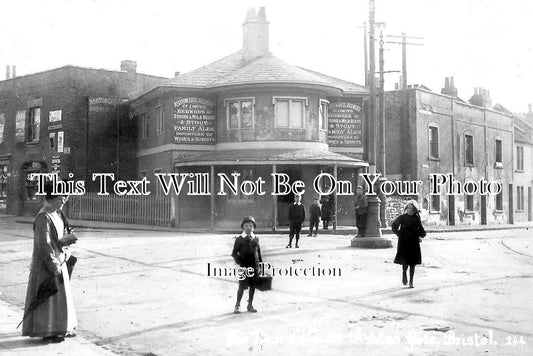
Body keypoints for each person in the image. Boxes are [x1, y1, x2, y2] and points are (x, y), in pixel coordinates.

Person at [22, 183, 77, 342]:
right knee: (48, 299)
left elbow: (64, 234)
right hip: (47, 265)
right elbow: (43, 244)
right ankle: (48, 332)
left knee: (58, 299)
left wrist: (66, 247)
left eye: (66, 196)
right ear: (52, 197)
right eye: (61, 197)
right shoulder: (44, 216)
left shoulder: (58, 214)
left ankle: (57, 330)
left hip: (60, 260)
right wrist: (54, 265)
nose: (64, 200)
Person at [391, 200, 426, 288]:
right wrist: (399, 234)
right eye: (409, 208)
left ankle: (411, 281)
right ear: (406, 208)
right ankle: (404, 274)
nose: (410, 210)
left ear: (415, 210)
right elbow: (394, 226)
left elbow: (421, 230)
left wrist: (421, 235)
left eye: (412, 208)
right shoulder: (402, 217)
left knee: (413, 263)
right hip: (404, 242)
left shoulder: (416, 218)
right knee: (405, 261)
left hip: (413, 242)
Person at [231, 216, 262, 313]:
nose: (248, 227)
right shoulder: (239, 239)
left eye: (251, 226)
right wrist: (239, 261)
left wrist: (260, 265)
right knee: (242, 286)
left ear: (253, 227)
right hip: (244, 267)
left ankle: (250, 305)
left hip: (254, 267)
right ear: (243, 227)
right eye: (246, 225)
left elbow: (259, 252)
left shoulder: (255, 238)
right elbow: (234, 253)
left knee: (252, 286)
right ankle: (237, 305)